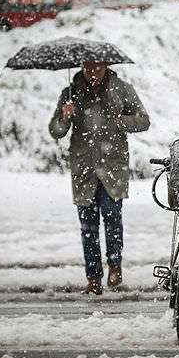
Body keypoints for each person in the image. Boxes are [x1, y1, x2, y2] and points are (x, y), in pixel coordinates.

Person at [48, 62, 150, 295]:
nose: (92, 74)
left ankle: (115, 265)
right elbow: (55, 131)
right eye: (88, 69)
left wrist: (120, 120)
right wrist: (64, 118)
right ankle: (93, 278)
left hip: (113, 167)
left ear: (106, 66)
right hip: (84, 169)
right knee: (88, 226)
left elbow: (144, 121)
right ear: (82, 68)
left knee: (112, 216)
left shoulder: (122, 89)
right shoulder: (70, 92)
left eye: (97, 68)